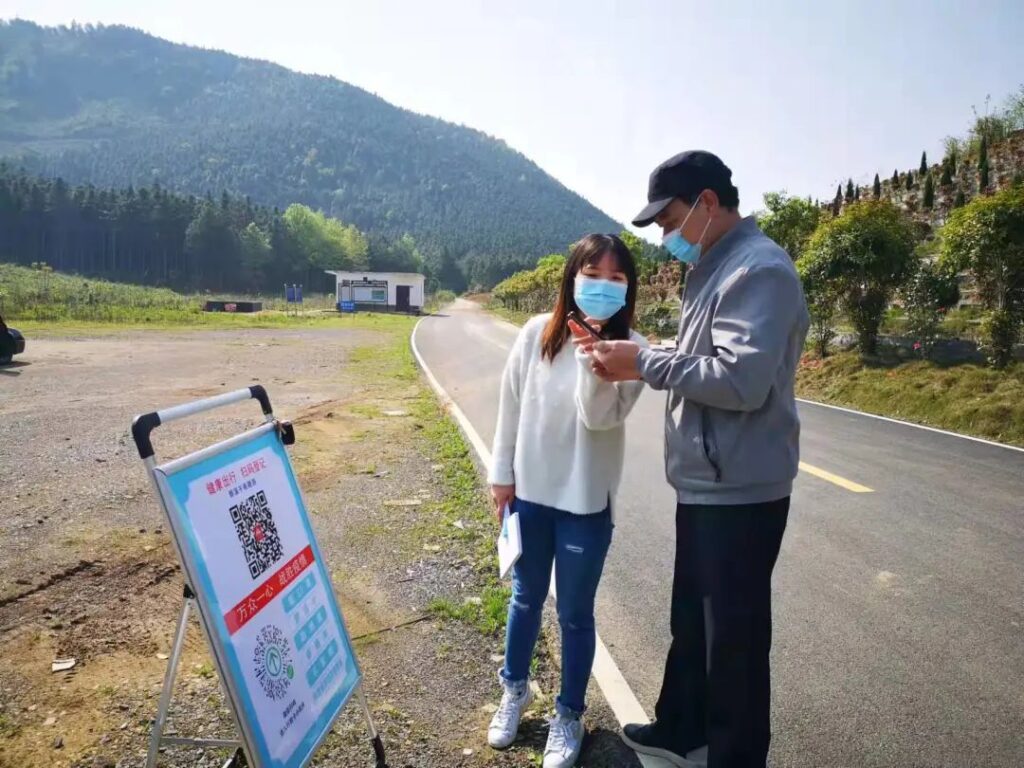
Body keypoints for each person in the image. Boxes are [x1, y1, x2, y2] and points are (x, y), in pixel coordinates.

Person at [582, 151, 810, 768]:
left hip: (741, 490)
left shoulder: (759, 269)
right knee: (694, 619)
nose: (664, 236)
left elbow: (742, 380)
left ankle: (736, 756)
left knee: (733, 639)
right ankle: (684, 726)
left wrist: (644, 363)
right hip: (708, 481)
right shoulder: (714, 265)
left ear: (708, 203)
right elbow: (700, 356)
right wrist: (645, 351)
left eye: (669, 219)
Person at [486, 233, 649, 768]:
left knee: (575, 614)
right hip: (530, 496)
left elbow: (599, 418)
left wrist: (593, 360)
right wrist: (501, 476)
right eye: (593, 274)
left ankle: (569, 714)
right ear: (572, 277)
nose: (602, 286)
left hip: (586, 504)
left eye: (615, 278)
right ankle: (514, 690)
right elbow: (510, 405)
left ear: (628, 289)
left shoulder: (633, 350)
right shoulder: (536, 333)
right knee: (526, 599)